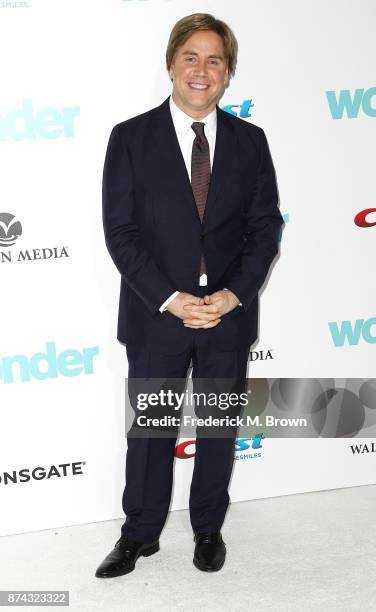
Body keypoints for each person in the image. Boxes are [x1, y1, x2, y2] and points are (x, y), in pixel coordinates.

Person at [96, 12, 284, 578]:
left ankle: (208, 528)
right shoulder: (129, 138)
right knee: (151, 433)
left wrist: (233, 295)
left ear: (228, 73)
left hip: (226, 316)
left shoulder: (251, 142)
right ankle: (139, 534)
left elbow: (265, 227)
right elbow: (120, 233)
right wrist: (170, 299)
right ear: (171, 64)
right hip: (158, 316)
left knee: (219, 428)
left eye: (215, 60)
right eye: (191, 58)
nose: (202, 71)